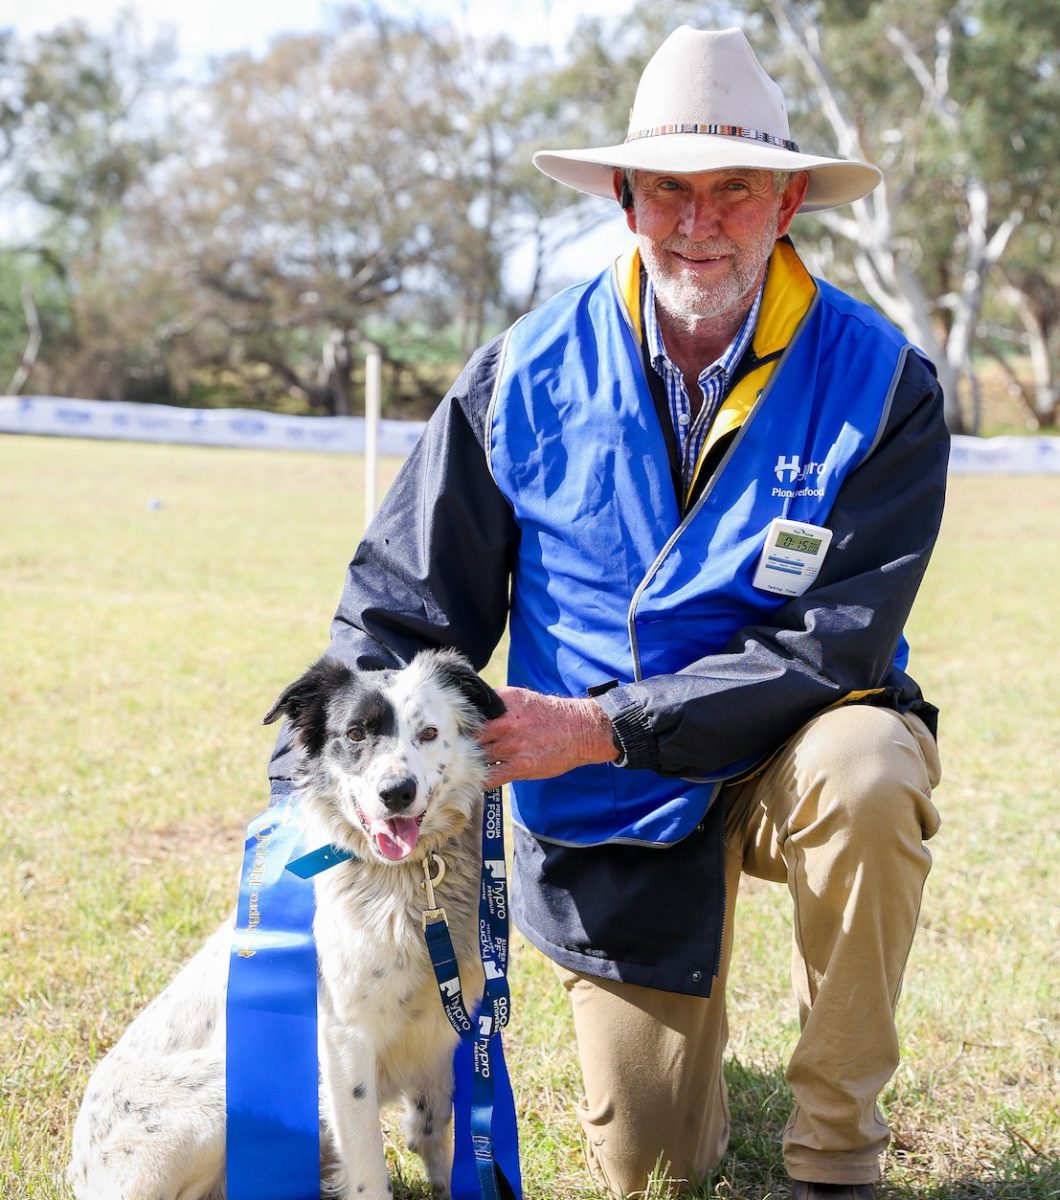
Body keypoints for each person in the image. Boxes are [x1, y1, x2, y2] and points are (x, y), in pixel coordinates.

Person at [272, 24, 947, 1200]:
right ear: (625, 199)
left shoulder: (883, 383)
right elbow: (396, 603)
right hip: (608, 810)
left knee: (871, 768)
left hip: (790, 742)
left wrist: (602, 722)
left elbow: (835, 638)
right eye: (668, 190)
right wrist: (326, 771)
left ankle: (836, 1154)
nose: (699, 221)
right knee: (653, 1171)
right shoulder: (517, 376)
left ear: (785, 203)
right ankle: (688, 1051)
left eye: (733, 186)